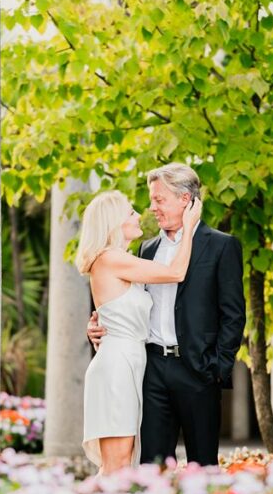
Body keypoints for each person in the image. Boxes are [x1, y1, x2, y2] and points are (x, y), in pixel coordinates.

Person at [87, 163, 246, 467]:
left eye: (159, 200)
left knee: (203, 465)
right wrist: (98, 325)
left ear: (185, 200)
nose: (152, 208)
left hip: (199, 370)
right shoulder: (145, 250)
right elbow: (119, 300)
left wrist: (217, 368)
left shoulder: (222, 246)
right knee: (151, 465)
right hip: (151, 369)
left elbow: (234, 315)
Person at [76, 189, 202, 474]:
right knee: (117, 464)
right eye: (131, 212)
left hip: (129, 361)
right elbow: (175, 273)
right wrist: (190, 225)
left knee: (124, 461)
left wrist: (96, 323)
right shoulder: (110, 258)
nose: (139, 216)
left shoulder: (122, 259)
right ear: (115, 221)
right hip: (117, 365)